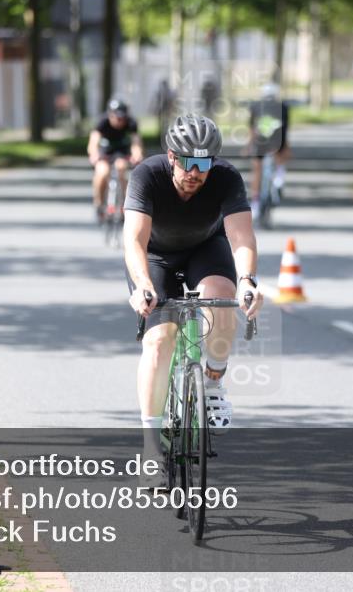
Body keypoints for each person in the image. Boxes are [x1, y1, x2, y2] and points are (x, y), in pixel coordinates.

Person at [124, 114, 263, 474]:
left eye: (204, 164)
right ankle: (151, 448)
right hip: (155, 257)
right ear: (171, 156)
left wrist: (247, 281)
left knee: (222, 297)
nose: (196, 173)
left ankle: (213, 383)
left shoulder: (226, 177)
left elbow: (241, 236)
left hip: (206, 247)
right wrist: (142, 284)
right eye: (188, 162)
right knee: (159, 340)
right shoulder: (146, 176)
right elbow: (134, 239)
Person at [87, 98, 143, 221]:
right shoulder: (102, 121)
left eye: (122, 118)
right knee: (102, 172)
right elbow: (93, 141)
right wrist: (94, 154)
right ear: (110, 115)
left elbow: (136, 142)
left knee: (121, 168)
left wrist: (137, 154)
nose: (119, 121)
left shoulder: (131, 123)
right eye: (116, 117)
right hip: (105, 151)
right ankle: (99, 203)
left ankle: (126, 204)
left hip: (121, 152)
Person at [247, 82, 291, 219]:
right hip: (277, 144)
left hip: (260, 144)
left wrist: (249, 145)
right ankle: (279, 177)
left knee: (257, 170)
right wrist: (286, 148)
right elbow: (285, 129)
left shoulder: (255, 106)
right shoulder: (283, 107)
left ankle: (255, 201)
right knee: (280, 160)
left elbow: (252, 128)